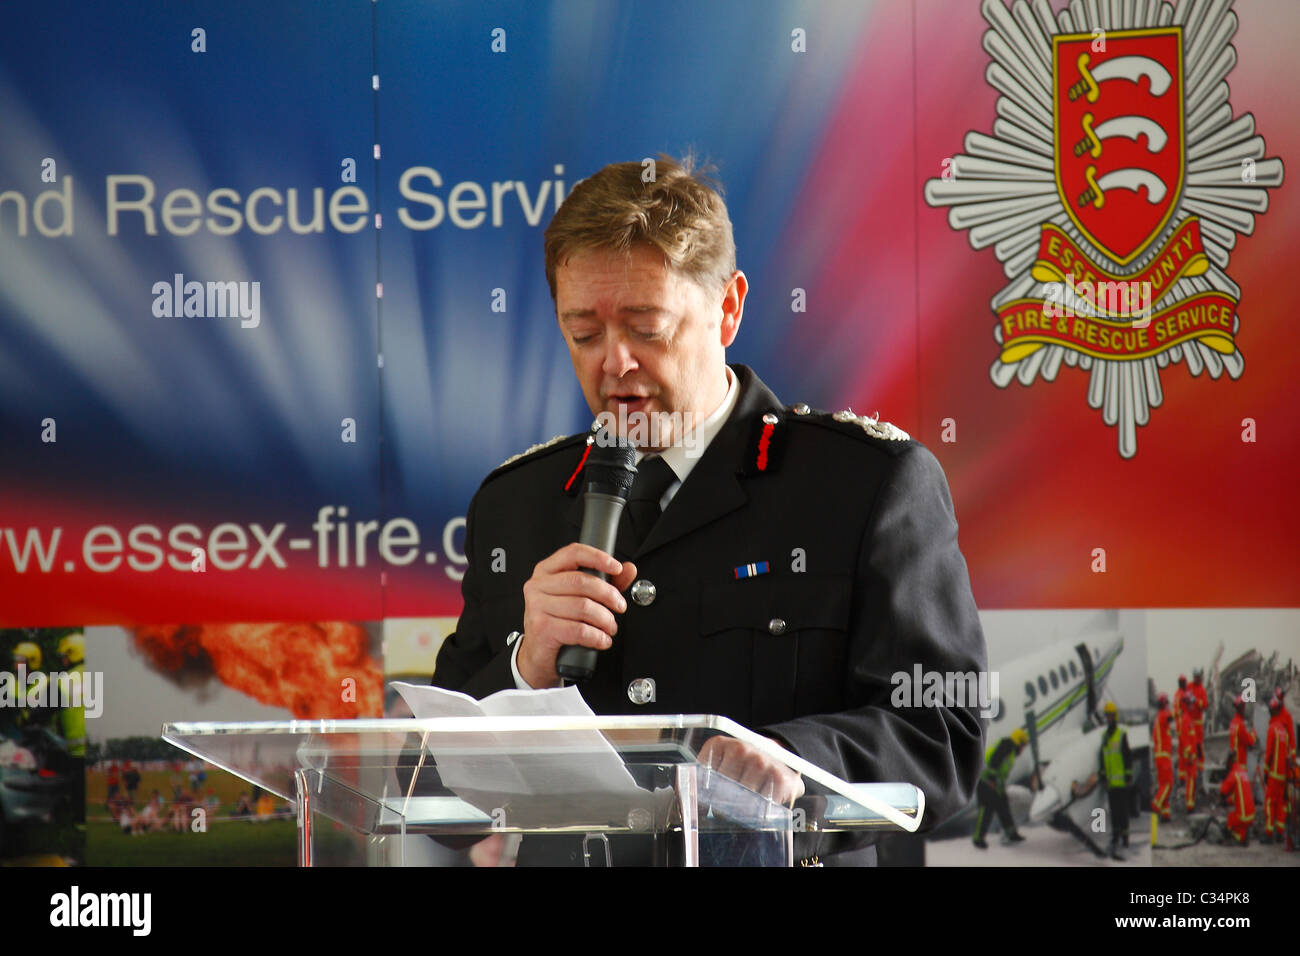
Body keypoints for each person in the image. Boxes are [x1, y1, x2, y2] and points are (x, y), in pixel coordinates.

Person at [426, 155, 987, 866]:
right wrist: (524, 668)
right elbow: (434, 797)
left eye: (646, 326)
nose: (614, 364)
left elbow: (942, 735)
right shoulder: (516, 505)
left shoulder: (864, 484)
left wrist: (793, 762)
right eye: (584, 333)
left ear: (728, 307)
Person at [972, 729, 1027, 849]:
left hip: (995, 783)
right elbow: (994, 761)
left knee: (1003, 806)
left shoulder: (1010, 749)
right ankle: (978, 839)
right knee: (986, 810)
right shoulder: (1007, 746)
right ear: (1018, 742)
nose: (1023, 749)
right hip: (986, 782)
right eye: (1023, 745)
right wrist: (992, 780)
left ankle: (1011, 833)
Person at [1097, 701, 1134, 860]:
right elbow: (1102, 758)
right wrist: (1104, 775)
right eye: (1106, 715)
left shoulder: (1121, 734)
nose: (1108, 718)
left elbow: (1127, 756)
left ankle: (1125, 836)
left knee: (1122, 811)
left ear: (1115, 716)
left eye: (1110, 715)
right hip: (1111, 782)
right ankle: (1116, 835)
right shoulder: (1104, 737)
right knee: (1114, 812)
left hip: (1120, 782)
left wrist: (1128, 775)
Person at [1263, 695, 1293, 844]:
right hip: (1283, 775)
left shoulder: (1272, 729)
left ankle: (1269, 834)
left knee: (1270, 802)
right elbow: (1287, 755)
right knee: (1281, 803)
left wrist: (1265, 772)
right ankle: (1280, 833)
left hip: (1274, 774)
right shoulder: (1284, 731)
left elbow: (1269, 753)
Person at [1219, 752, 1254, 846]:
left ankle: (1230, 839)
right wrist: (1227, 801)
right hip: (1251, 814)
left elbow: (1224, 790)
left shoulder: (1234, 773)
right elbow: (1238, 795)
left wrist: (1222, 800)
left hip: (1243, 816)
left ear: (1230, 762)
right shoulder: (1243, 772)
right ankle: (1241, 837)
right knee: (1240, 826)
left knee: (1230, 818)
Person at [1151, 693, 1173, 823]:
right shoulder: (1163, 715)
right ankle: (1155, 806)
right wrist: (1182, 706)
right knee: (1167, 785)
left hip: (1160, 756)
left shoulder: (1158, 718)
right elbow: (1172, 716)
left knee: (1162, 786)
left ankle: (1166, 814)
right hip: (1164, 756)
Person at [1178, 692, 1198, 813]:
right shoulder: (1185, 719)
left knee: (1192, 780)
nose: (1193, 706)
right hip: (1189, 756)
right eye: (1191, 704)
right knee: (1190, 781)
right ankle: (1189, 805)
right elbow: (1185, 740)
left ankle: (1190, 803)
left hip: (1192, 756)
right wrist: (1189, 754)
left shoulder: (1189, 719)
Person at [1227, 694, 1257, 767]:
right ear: (1243, 708)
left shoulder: (1233, 723)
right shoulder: (1240, 725)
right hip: (1240, 763)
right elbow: (1249, 741)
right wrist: (1254, 733)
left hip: (1234, 763)